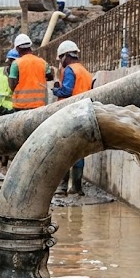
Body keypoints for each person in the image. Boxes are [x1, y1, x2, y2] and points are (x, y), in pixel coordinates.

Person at [52, 40, 93, 195]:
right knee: (79, 151)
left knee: (64, 150)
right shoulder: (84, 71)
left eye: (60, 58)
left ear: (65, 56)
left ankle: (65, 186)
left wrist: (56, 90)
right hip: (84, 113)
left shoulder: (70, 70)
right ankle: (76, 187)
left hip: (70, 114)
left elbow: (67, 91)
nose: (60, 62)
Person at [8, 34, 53, 112]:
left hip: (20, 105)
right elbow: (50, 77)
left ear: (18, 48)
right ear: (30, 47)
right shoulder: (42, 62)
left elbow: (12, 85)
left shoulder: (16, 63)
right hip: (39, 105)